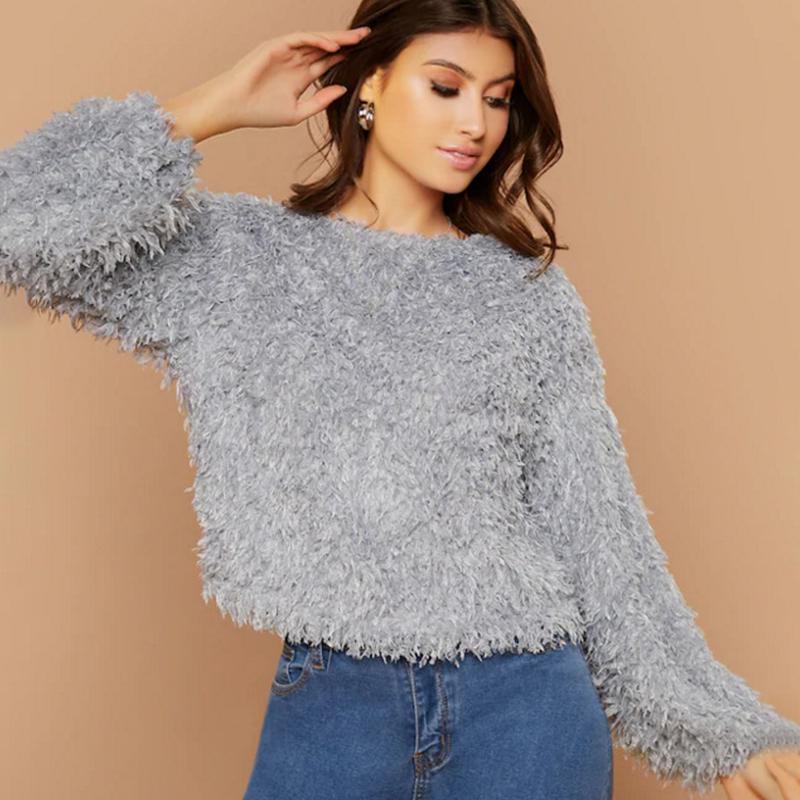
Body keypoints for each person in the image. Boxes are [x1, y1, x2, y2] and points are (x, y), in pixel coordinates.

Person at [1, 1, 799, 798]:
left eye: (497, 98)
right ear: (370, 85)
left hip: (527, 712)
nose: (476, 123)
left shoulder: (525, 299)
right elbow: (17, 224)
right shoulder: (237, 263)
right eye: (446, 87)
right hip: (332, 705)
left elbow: (601, 528)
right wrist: (212, 107)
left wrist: (716, 732)